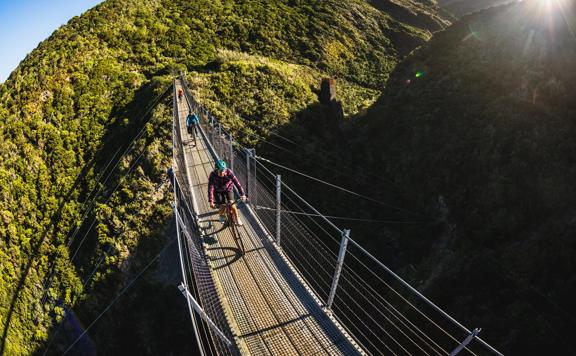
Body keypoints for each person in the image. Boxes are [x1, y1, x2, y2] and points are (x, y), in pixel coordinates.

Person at [208, 160, 247, 226]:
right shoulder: (212, 175)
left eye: (223, 170)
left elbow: (237, 183)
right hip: (218, 191)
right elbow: (210, 188)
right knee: (222, 205)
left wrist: (242, 194)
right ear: (216, 170)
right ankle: (221, 215)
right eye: (220, 171)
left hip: (228, 189)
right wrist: (211, 201)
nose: (222, 172)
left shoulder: (229, 172)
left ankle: (237, 218)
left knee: (232, 203)